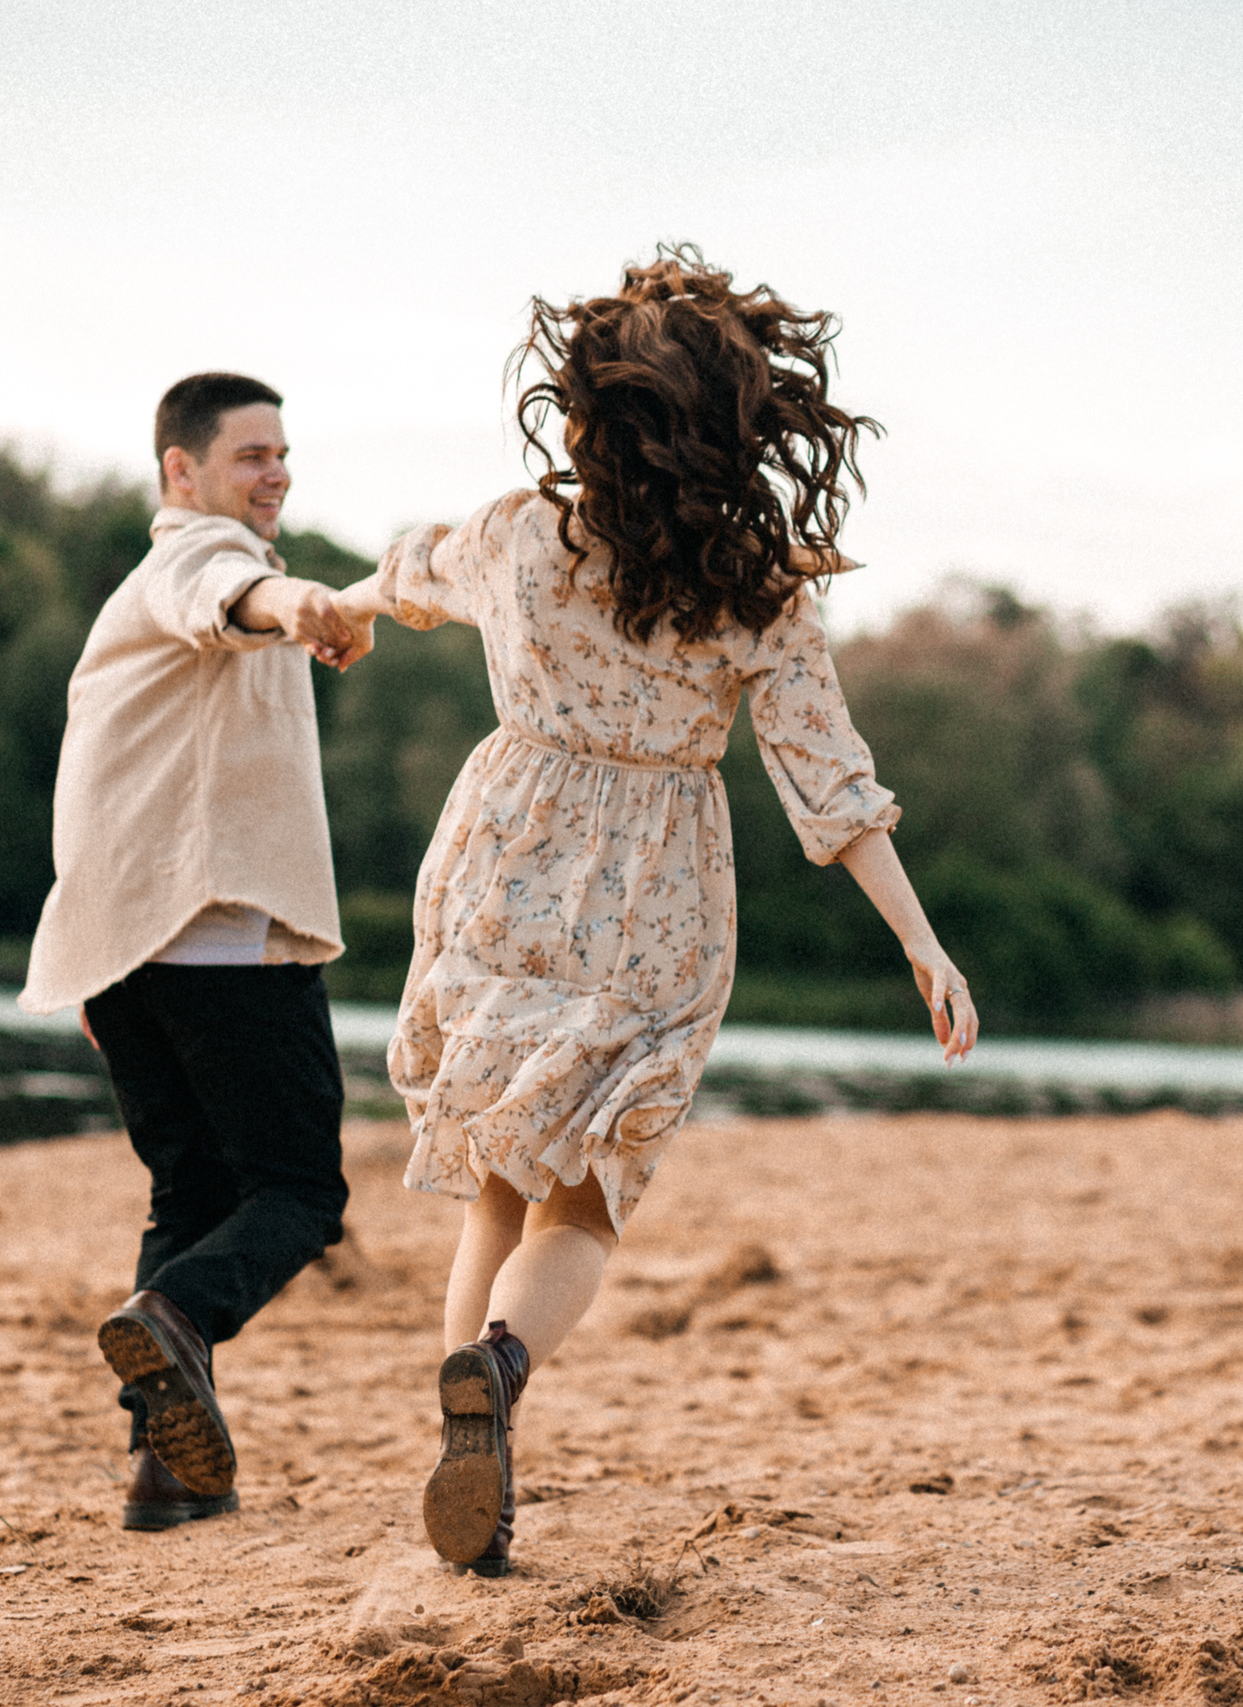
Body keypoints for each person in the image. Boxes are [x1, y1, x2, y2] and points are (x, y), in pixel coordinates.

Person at [326, 248, 978, 1576]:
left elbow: (407, 574)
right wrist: (921, 939)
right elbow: (831, 786)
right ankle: (502, 1366)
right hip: (657, 900)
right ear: (738, 430)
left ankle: (468, 1421)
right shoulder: (758, 586)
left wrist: (347, 603)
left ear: (586, 416)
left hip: (502, 864)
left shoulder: (518, 535)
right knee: (585, 1201)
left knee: (496, 1191)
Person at [19, 372, 371, 1532]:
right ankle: (175, 1316)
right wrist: (295, 600)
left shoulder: (140, 597)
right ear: (182, 471)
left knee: (194, 1190)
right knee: (301, 1193)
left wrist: (97, 955)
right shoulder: (194, 558)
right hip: (217, 939)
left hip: (132, 948)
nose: (275, 474)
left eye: (282, 454)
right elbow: (228, 595)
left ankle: (167, 1472)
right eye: (250, 455)